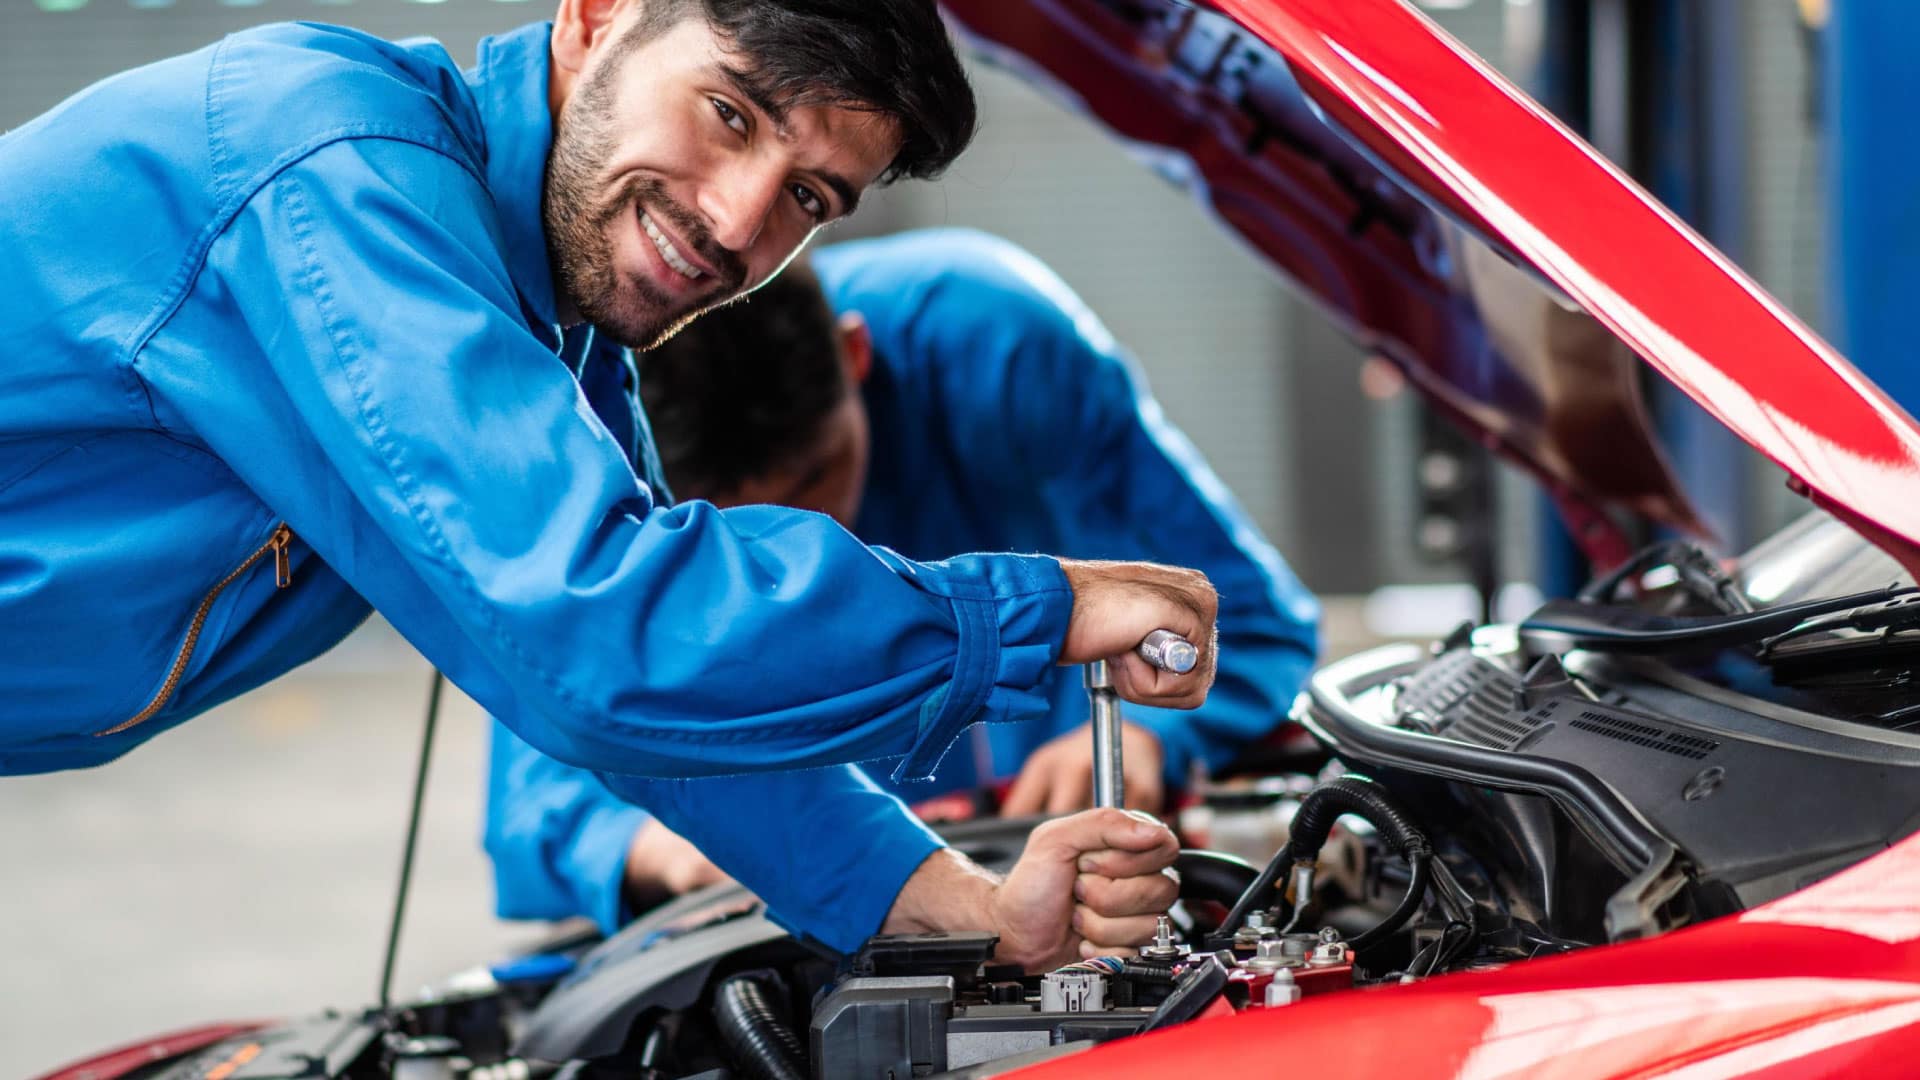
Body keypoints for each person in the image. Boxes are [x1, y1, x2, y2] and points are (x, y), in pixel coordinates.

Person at [0, 0, 1222, 968]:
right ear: (598, 16)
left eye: (807, 197)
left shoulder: (550, 336)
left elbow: (673, 737)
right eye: (730, 114)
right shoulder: (330, 169)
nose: (738, 222)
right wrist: (1033, 610)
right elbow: (599, 630)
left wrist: (977, 911)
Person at [487, 229, 1319, 928]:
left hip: (1058, 872)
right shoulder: (599, 458)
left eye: (814, 480)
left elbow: (1251, 622)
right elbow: (540, 793)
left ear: (857, 354)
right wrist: (674, 847)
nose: (803, 549)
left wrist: (1150, 736)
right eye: (734, 534)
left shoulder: (996, 350)